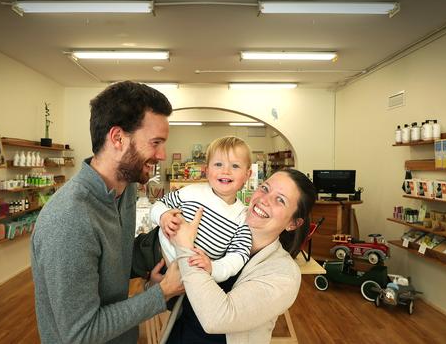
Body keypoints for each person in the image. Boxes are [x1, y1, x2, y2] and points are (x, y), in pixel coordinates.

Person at [31, 81, 184, 344]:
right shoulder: (69, 219)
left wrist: (168, 245)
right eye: (155, 142)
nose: (162, 155)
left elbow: (113, 263)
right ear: (117, 138)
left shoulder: (124, 192)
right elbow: (81, 333)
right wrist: (161, 293)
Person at [167, 169, 317, 344]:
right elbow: (185, 295)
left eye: (280, 200)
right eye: (265, 188)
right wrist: (162, 288)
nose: (264, 200)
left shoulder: (284, 274)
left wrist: (185, 247)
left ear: (293, 223)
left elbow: (217, 319)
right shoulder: (217, 228)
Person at [133, 136, 253, 283]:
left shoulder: (242, 218)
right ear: (207, 171)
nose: (225, 171)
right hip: (152, 248)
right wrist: (163, 216)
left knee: (166, 305)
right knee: (117, 267)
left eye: (235, 166)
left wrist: (213, 268)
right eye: (218, 164)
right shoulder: (192, 192)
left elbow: (238, 256)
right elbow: (159, 204)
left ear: (247, 175)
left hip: (188, 276)